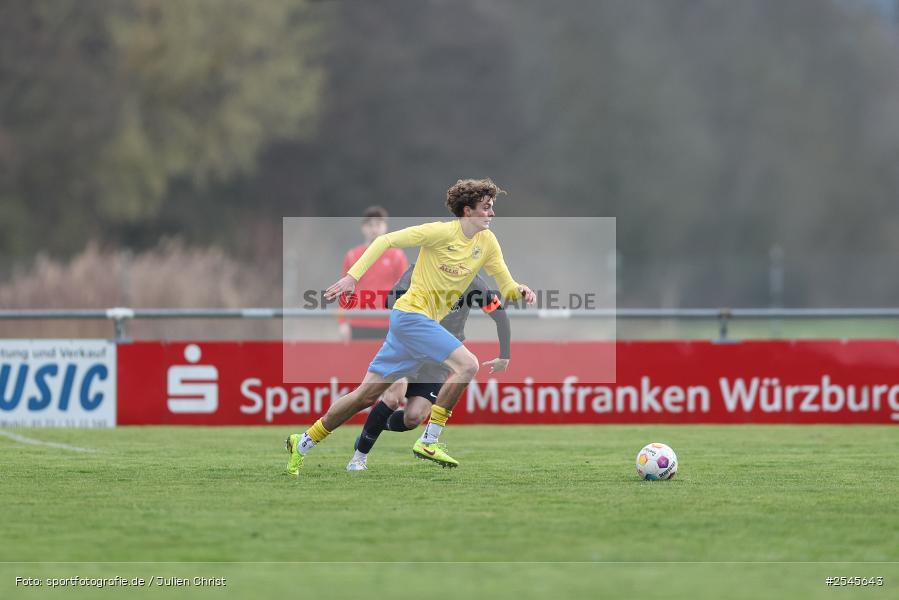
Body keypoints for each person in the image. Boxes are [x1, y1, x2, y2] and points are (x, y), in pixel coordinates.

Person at [285, 178, 536, 475]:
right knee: (468, 365)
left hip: (412, 326)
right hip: (411, 317)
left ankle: (303, 441)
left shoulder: (487, 243)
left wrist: (519, 290)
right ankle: (429, 441)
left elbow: (504, 286)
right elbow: (384, 241)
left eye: (492, 208)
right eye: (486, 208)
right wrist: (353, 277)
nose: (492, 214)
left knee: (364, 396)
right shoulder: (440, 232)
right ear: (467, 211)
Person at [345, 264, 512, 471]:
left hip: (439, 360)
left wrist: (505, 355)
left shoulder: (472, 282)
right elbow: (391, 300)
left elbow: (499, 315)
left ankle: (375, 427)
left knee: (413, 418)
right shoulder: (421, 269)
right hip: (410, 348)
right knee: (393, 396)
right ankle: (358, 458)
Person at [338, 206, 408, 341]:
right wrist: (343, 323)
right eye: (370, 225)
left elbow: (404, 292)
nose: (374, 229)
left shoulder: (396, 256)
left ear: (385, 227)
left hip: (388, 323)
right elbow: (343, 292)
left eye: (378, 224)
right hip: (358, 322)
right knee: (357, 362)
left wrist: (403, 323)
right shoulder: (352, 256)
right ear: (363, 228)